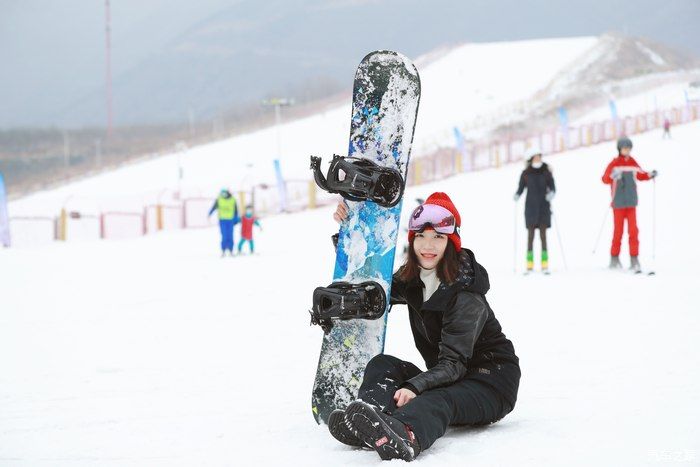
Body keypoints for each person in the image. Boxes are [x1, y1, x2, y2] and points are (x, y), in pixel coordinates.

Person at [328, 192, 520, 462]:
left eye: (438, 237)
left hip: (490, 382)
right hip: (451, 376)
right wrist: (350, 231)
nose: (427, 245)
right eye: (421, 236)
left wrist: (415, 387)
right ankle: (371, 419)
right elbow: (375, 284)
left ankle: (406, 433)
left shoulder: (466, 294)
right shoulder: (413, 280)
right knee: (384, 364)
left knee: (439, 399)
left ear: (451, 243)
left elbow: (454, 364)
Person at [601, 136, 657, 272]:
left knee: (633, 231)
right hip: (618, 203)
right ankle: (614, 258)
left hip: (631, 203)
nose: (626, 151)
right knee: (618, 231)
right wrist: (612, 176)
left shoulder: (632, 162)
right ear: (619, 149)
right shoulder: (614, 163)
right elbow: (605, 179)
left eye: (628, 148)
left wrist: (650, 175)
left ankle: (634, 259)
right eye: (624, 148)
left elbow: (641, 175)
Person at [513, 147, 556, 273]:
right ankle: (529, 264)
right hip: (531, 208)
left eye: (539, 156)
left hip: (543, 208)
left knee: (543, 236)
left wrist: (551, 194)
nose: (538, 159)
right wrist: (517, 194)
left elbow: (553, 187)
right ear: (531, 158)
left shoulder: (546, 172)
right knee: (530, 236)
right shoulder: (526, 173)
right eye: (536, 157)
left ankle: (544, 264)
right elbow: (521, 188)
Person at [208, 188, 239, 257]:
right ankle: (223, 250)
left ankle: (231, 249)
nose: (223, 194)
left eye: (224, 193)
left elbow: (236, 210)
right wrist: (209, 214)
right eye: (222, 193)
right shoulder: (219, 199)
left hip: (230, 220)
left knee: (230, 235)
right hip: (222, 220)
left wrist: (236, 218)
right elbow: (213, 207)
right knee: (224, 235)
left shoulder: (232, 200)